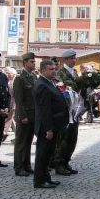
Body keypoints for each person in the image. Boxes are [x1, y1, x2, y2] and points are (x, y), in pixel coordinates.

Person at [33, 60, 68, 188]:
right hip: (46, 127)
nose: (54, 71)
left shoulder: (49, 82)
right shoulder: (42, 84)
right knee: (43, 154)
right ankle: (39, 180)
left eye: (54, 68)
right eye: (51, 69)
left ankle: (46, 177)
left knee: (48, 154)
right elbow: (44, 109)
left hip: (54, 125)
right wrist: (48, 129)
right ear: (43, 70)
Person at [54, 49, 79, 176]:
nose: (74, 60)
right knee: (63, 138)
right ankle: (58, 163)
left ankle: (66, 161)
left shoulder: (75, 72)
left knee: (72, 138)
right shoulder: (59, 73)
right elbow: (61, 90)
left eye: (75, 58)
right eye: (72, 58)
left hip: (75, 110)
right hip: (64, 111)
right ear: (66, 60)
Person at [13, 53, 37, 177]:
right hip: (24, 115)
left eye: (34, 61)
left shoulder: (33, 77)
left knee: (28, 141)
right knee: (21, 142)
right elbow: (18, 99)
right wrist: (22, 116)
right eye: (32, 62)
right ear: (25, 63)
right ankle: (19, 166)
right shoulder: (19, 78)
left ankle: (27, 165)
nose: (34, 63)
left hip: (32, 115)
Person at [2, 67, 17, 142]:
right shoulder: (9, 81)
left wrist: (14, 105)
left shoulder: (15, 82)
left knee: (9, 118)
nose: (8, 75)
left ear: (13, 74)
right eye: (7, 73)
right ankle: (18, 136)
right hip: (9, 103)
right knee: (12, 121)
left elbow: (16, 95)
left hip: (14, 103)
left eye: (9, 73)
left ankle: (3, 133)